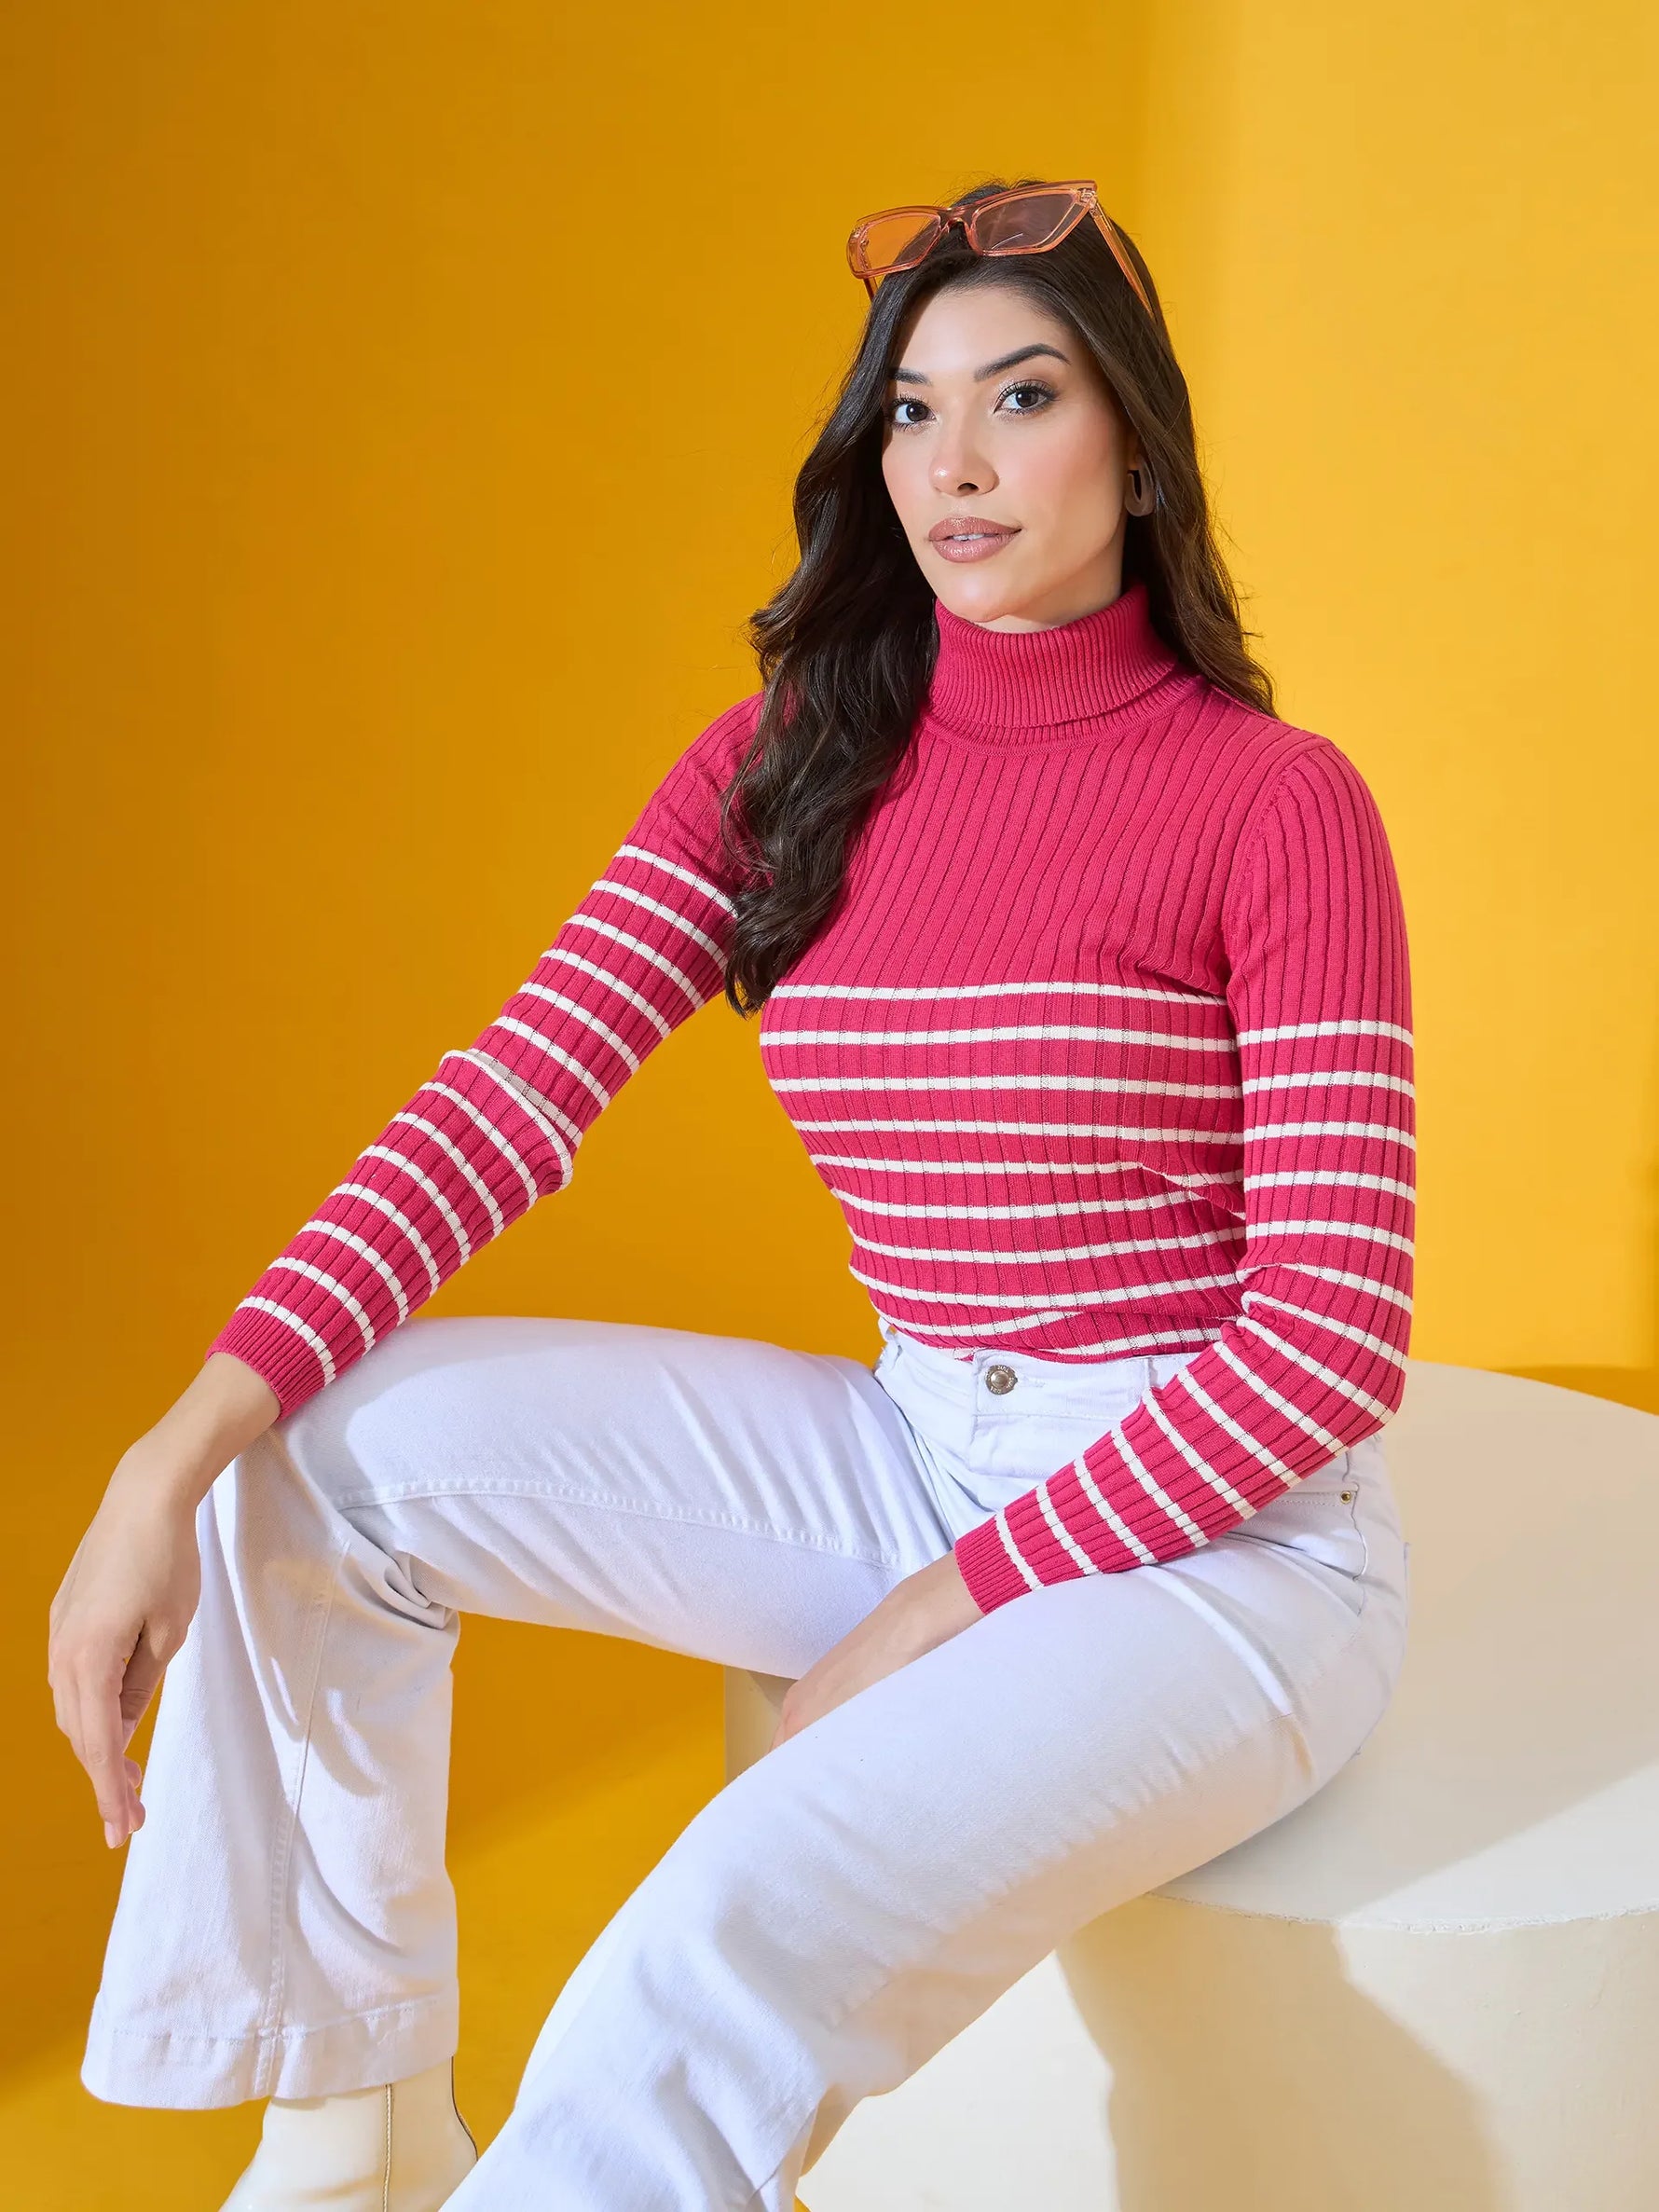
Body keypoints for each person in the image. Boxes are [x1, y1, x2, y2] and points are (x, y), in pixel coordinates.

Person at [48, 174, 1416, 2210]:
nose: (951, 463)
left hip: (1217, 1550)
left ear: (1135, 448)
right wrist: (166, 1454)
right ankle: (351, 2122)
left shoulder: (1268, 801)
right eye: (910, 410)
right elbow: (505, 1102)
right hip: (917, 1433)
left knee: (699, 1952)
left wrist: (912, 1625)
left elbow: (1323, 1341)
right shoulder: (789, 760)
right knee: (309, 1453)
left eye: (1020, 397)